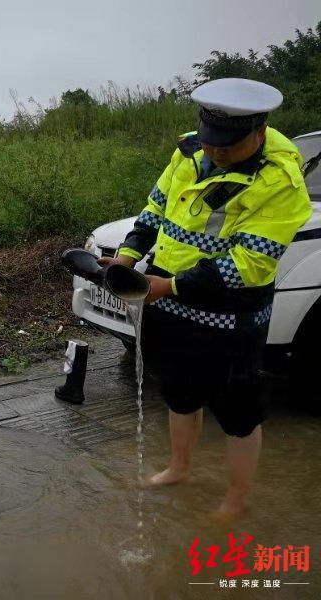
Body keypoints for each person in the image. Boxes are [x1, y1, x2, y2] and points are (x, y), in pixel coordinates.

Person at [101, 78, 311, 519]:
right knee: (180, 391)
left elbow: (250, 263)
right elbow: (155, 209)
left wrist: (170, 285)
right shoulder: (189, 152)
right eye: (211, 142)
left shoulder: (282, 182)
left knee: (238, 412)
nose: (215, 152)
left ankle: (234, 501)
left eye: (228, 145)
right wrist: (126, 257)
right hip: (170, 302)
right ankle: (178, 468)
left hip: (230, 315)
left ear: (259, 130)